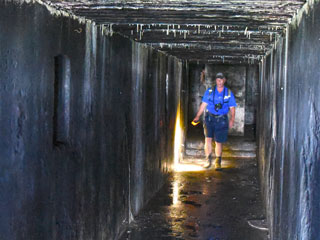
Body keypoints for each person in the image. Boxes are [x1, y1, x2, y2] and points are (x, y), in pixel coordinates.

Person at [192, 72, 237, 170]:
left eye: (221, 79)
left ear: (224, 80)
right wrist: (197, 116)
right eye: (218, 79)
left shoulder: (228, 93)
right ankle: (208, 160)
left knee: (218, 141)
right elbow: (203, 104)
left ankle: (218, 161)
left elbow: (232, 108)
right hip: (209, 118)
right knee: (208, 139)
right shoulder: (209, 91)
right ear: (216, 80)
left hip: (222, 119)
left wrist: (232, 119)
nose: (219, 81)